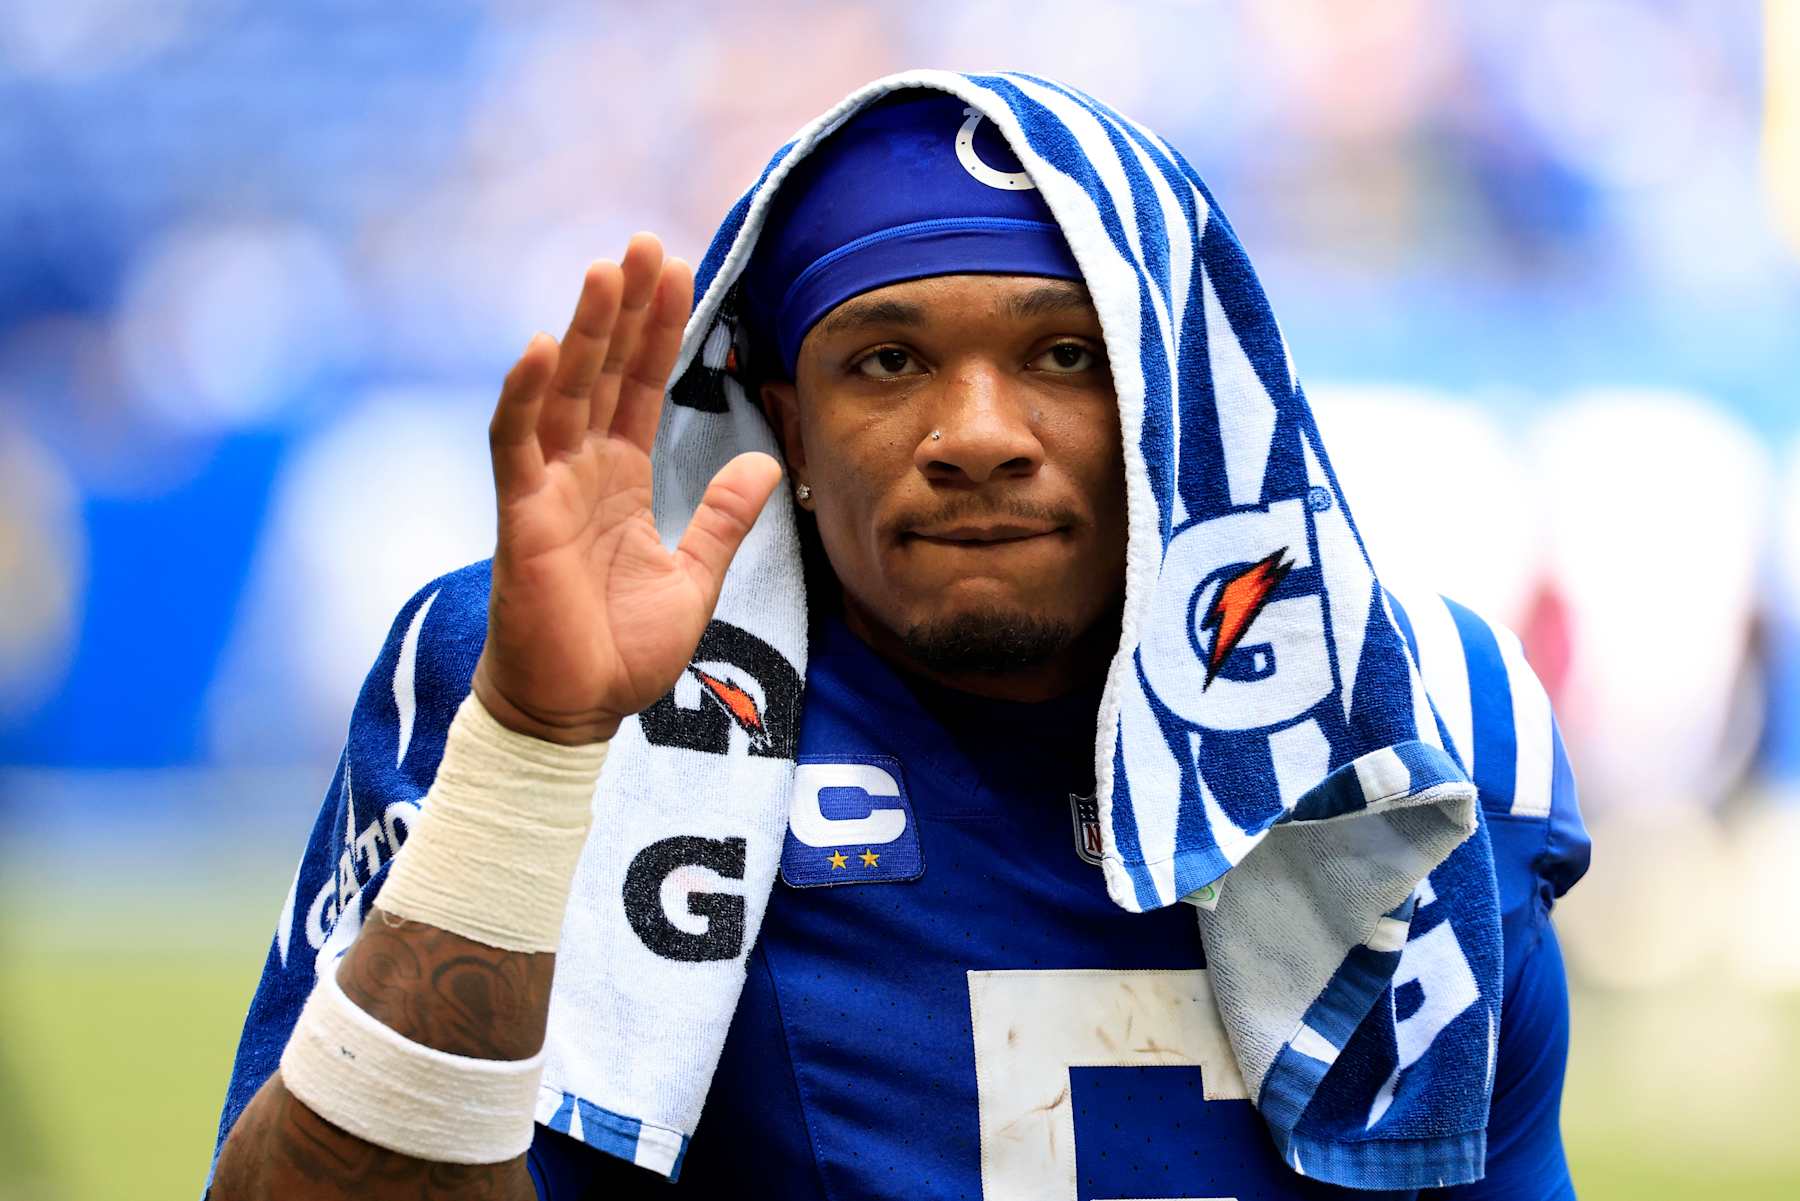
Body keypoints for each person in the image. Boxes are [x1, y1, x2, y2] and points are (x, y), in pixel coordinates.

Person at [207, 78, 1588, 1200]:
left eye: (1064, 355)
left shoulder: (1420, 713)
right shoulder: (575, 690)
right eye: (886, 359)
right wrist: (529, 748)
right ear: (784, 421)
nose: (979, 435)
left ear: (1178, 403)